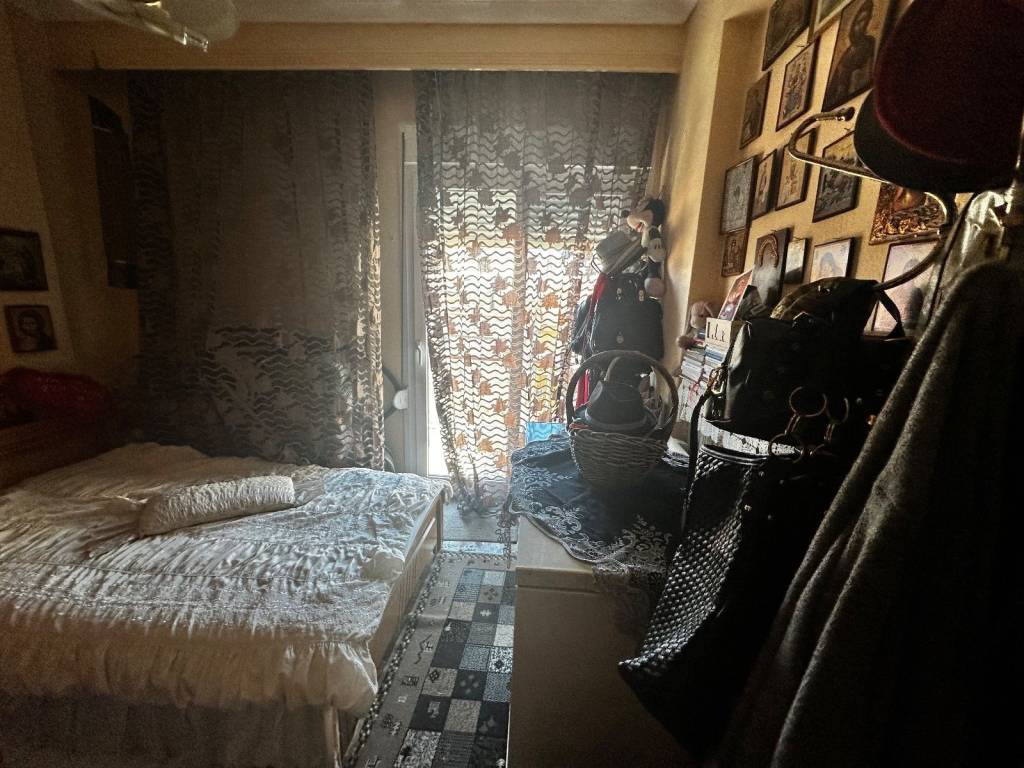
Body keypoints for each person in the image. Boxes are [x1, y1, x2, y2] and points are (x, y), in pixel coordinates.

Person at [824, 0, 877, 108]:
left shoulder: (869, 43)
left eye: (864, 20)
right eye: (858, 21)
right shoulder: (848, 51)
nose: (860, 25)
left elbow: (865, 73)